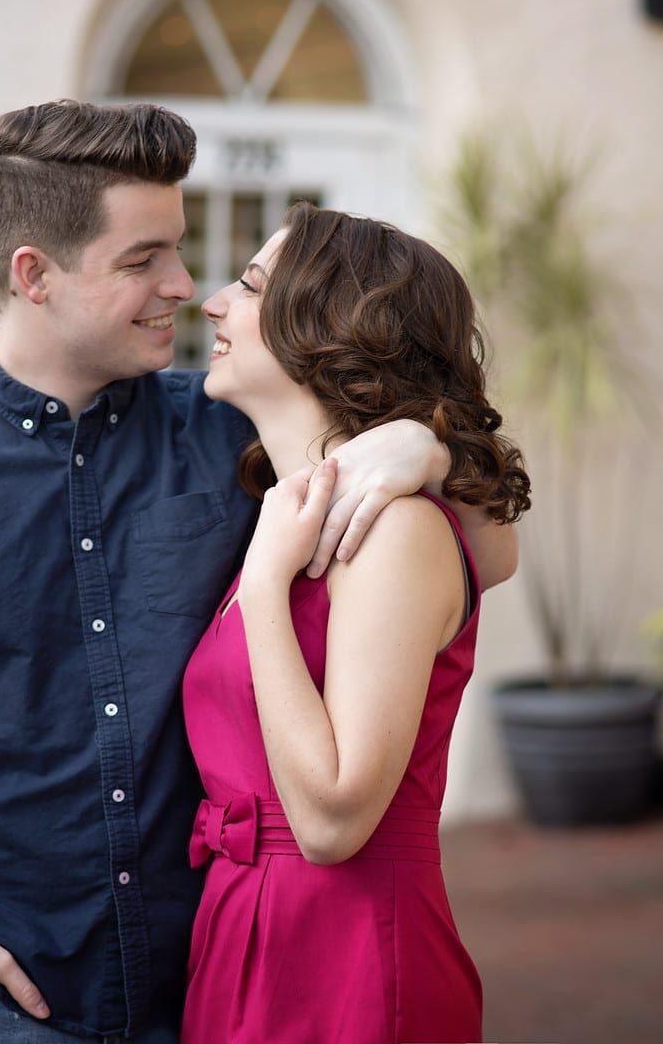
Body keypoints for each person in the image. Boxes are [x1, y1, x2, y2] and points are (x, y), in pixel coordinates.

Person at [0, 101, 517, 1044]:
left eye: (177, 247)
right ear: (33, 274)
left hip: (206, 987)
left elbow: (482, 556)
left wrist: (421, 449)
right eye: (142, 261)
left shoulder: (232, 431)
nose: (183, 282)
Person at [181, 204, 531, 1044]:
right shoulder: (294, 521)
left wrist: (265, 588)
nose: (212, 304)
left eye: (250, 285)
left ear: (325, 326)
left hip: (348, 954)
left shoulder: (392, 533)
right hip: (241, 931)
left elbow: (333, 823)